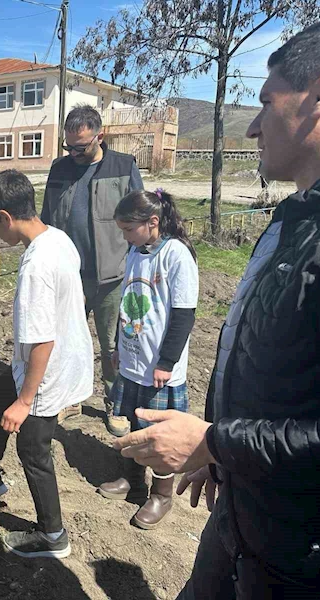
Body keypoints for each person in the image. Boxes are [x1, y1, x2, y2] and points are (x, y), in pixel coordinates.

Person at [112, 21, 320, 597]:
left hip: (300, 558)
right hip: (241, 511)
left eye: (266, 103)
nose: (252, 125)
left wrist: (214, 441)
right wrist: (224, 455)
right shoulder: (290, 220)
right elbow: (262, 363)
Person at [0, 170, 93, 559]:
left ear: (6, 216)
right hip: (58, 361)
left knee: (33, 451)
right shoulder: (59, 238)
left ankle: (53, 536)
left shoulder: (36, 266)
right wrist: (14, 394)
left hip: (46, 374)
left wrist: (25, 400)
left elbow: (43, 340)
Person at [96, 189, 198, 530]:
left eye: (128, 229)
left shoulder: (176, 255)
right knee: (133, 425)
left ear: (152, 222)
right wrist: (118, 349)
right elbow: (130, 301)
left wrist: (166, 363)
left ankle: (161, 495)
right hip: (133, 362)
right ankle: (132, 482)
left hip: (159, 369)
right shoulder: (137, 252)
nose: (124, 236)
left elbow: (183, 316)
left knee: (158, 434)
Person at [41, 104, 144, 436]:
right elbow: (46, 219)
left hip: (111, 277)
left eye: (81, 147)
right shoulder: (60, 169)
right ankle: (71, 397)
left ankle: (114, 401)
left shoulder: (122, 166)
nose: (73, 153)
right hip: (69, 275)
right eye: (68, 146)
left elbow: (140, 219)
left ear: (100, 135)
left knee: (112, 343)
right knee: (68, 340)